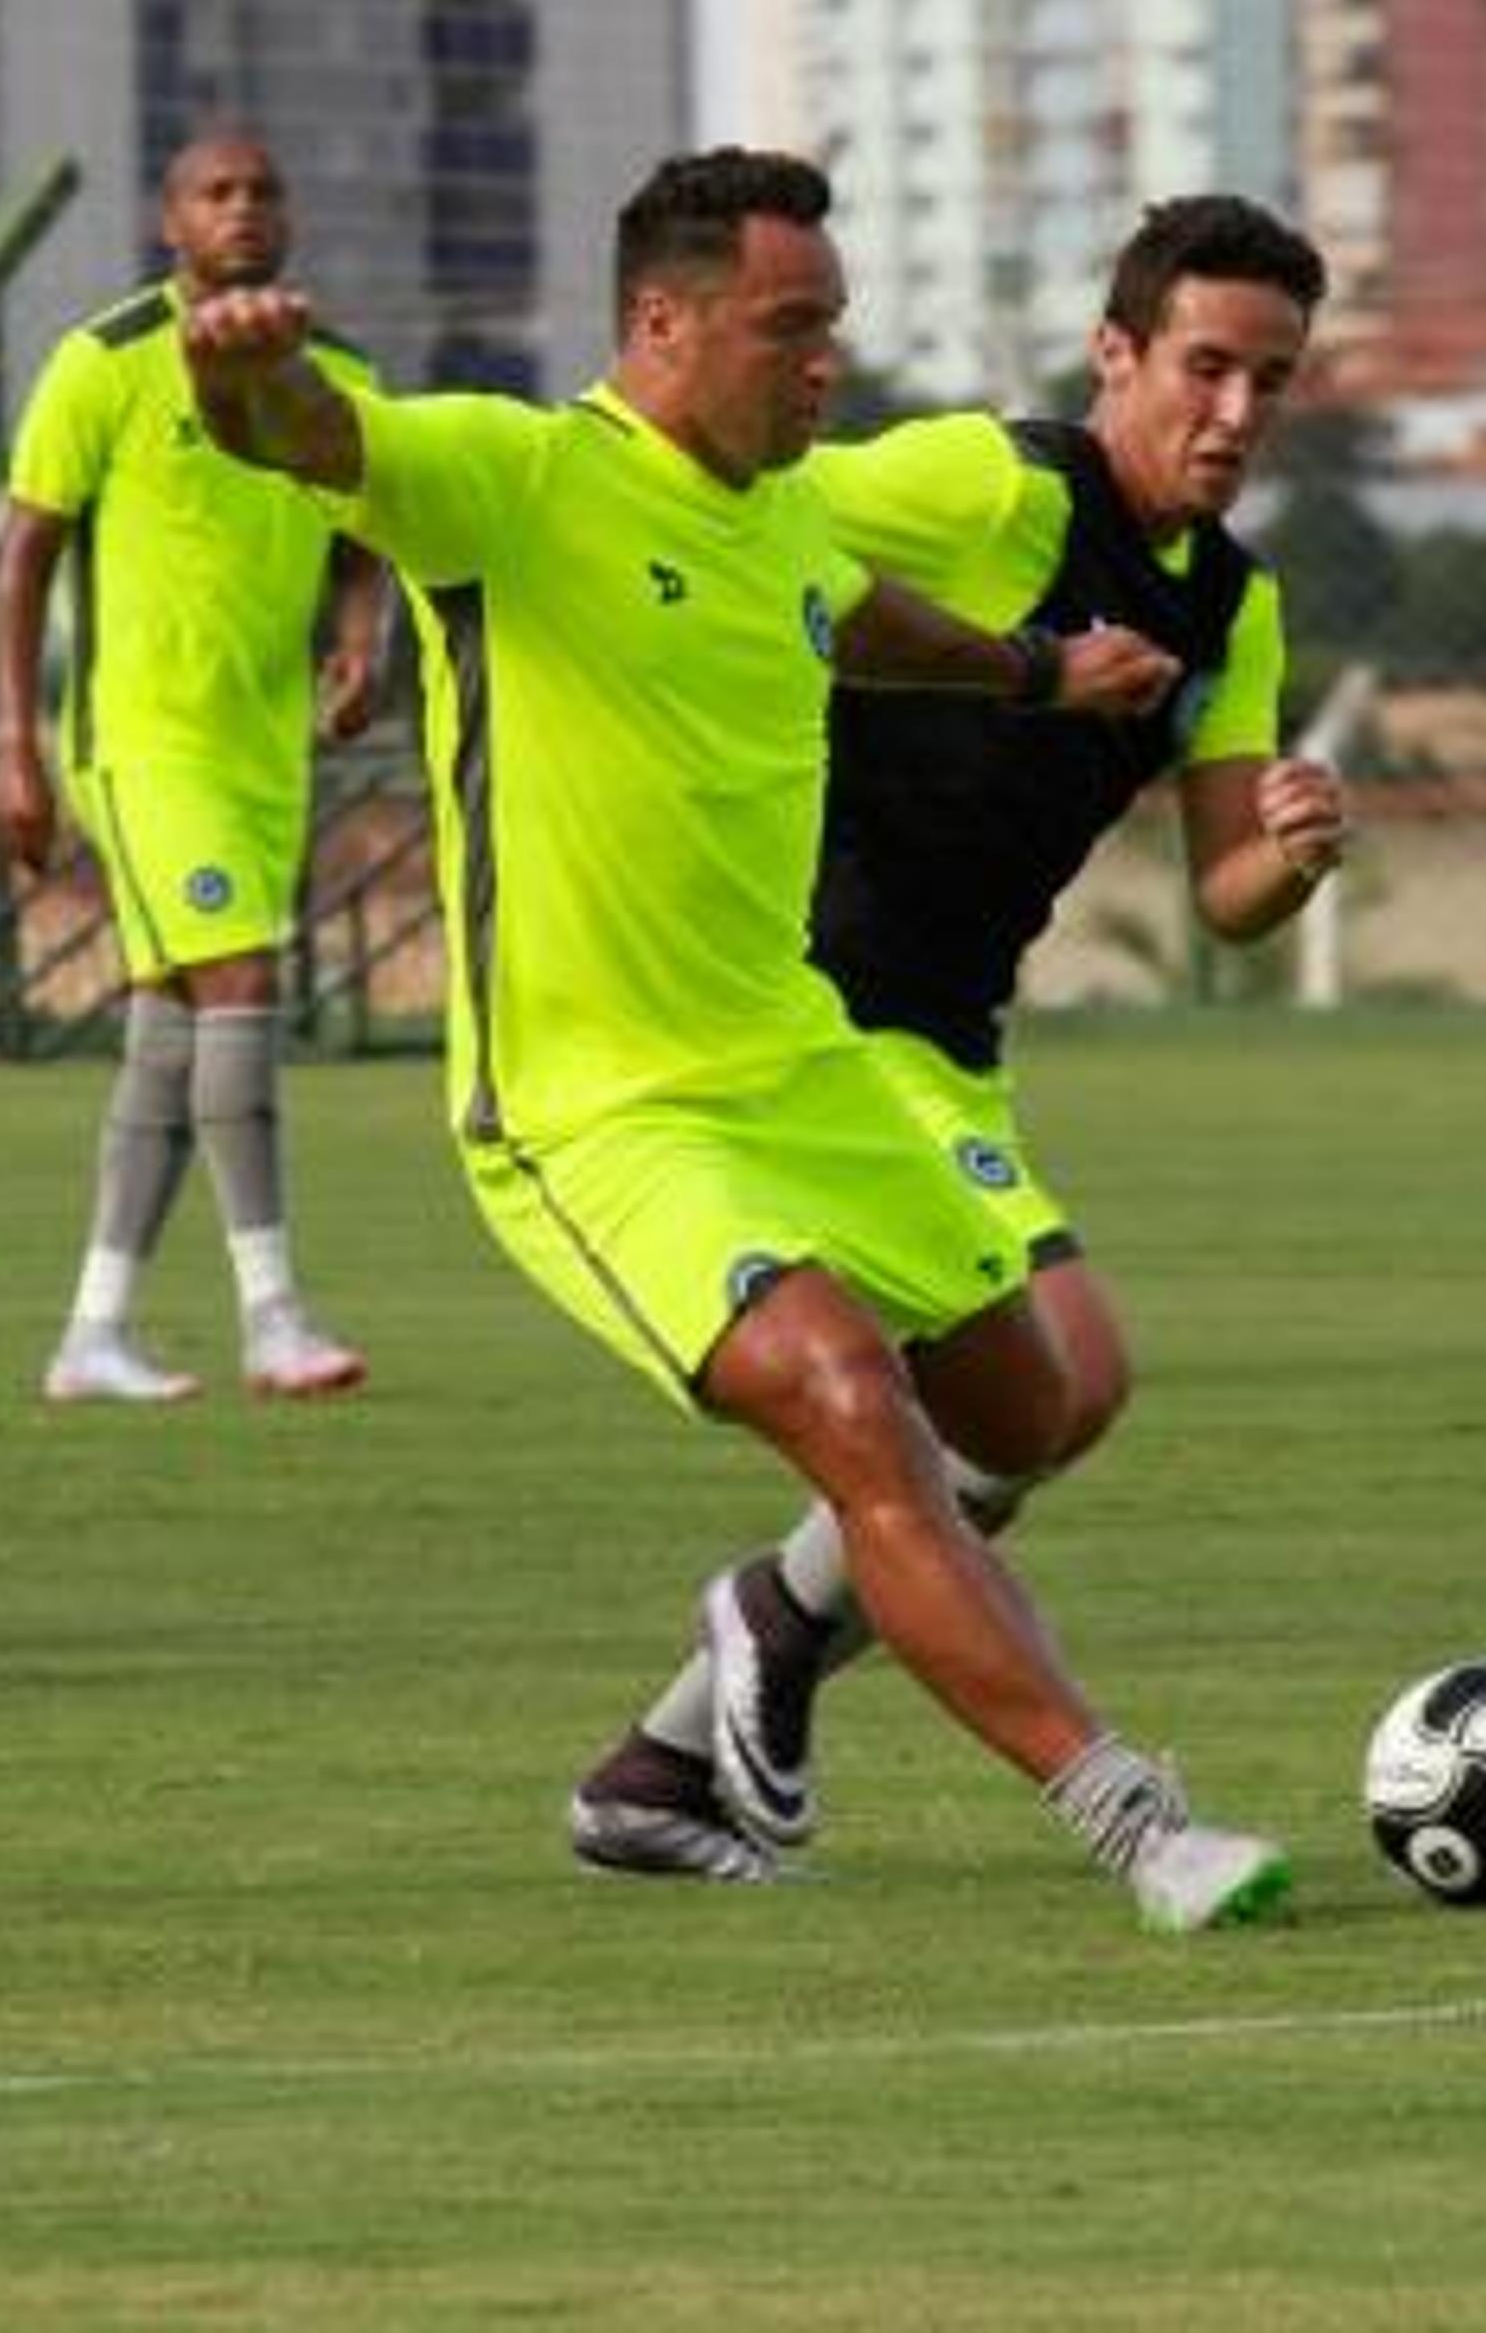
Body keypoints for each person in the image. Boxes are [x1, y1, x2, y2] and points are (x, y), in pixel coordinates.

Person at [181, 148, 1293, 1932]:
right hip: (600, 1112)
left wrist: (1036, 673)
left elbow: (864, 625)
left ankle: (679, 1746)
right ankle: (1138, 1821)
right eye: (793, 328)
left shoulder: (782, 511)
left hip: (803, 1064)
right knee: (856, 1409)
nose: (825, 363)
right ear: (661, 323)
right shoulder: (520, 478)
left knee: (1027, 1405)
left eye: (835, 328)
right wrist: (237, 365)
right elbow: (302, 436)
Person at [578, 194, 1350, 1879]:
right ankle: (778, 1639)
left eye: (1270, 383)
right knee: (1052, 1386)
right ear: (1117, 354)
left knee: (1047, 1407)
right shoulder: (991, 488)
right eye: (1205, 368)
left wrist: (1286, 854)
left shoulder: (1236, 603)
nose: (1234, 415)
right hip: (818, 1007)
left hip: (946, 1036)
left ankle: (678, 1738)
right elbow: (742, 500)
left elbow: (1221, 892)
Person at [0, 131, 390, 1406]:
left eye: (266, 190)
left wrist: (363, 640)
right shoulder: (102, 362)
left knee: (172, 1028)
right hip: (140, 741)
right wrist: (15, 746)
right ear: (171, 222)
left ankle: (92, 1333)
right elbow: (24, 557)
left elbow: (372, 526)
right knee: (239, 980)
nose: (246, 211)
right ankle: (273, 1311)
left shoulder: (340, 373)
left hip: (262, 747)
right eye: (217, 193)